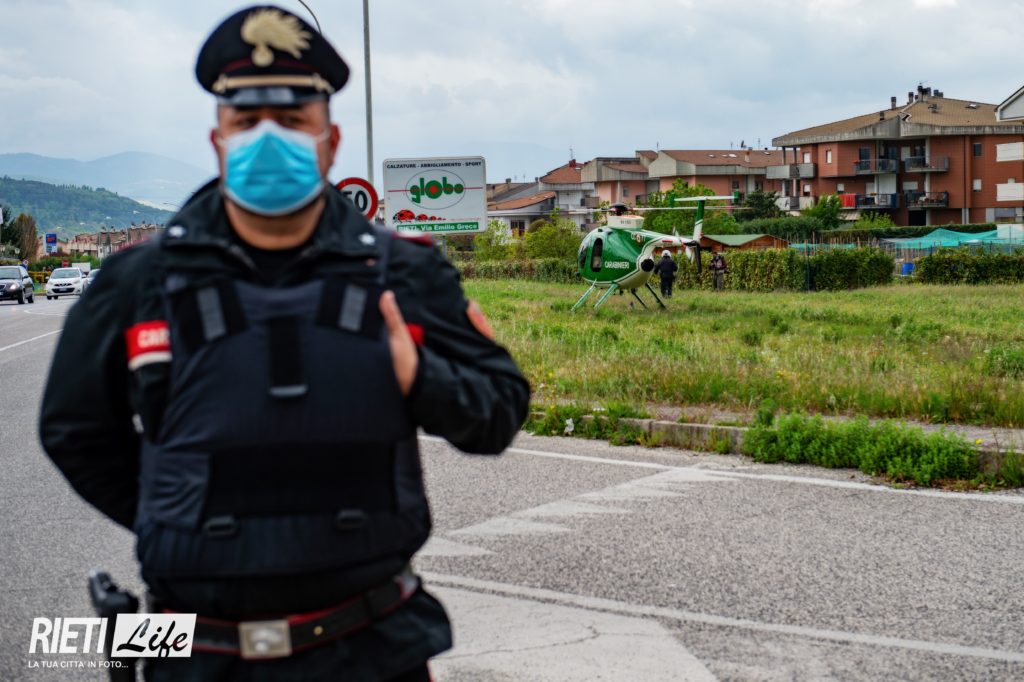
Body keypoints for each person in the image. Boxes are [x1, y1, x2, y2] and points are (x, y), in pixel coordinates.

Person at [39, 6, 530, 681]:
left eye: (294, 120)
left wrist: (422, 378)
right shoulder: (139, 281)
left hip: (371, 652)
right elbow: (73, 430)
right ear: (218, 140)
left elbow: (499, 412)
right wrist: (174, 516)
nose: (268, 138)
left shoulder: (403, 272)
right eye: (246, 122)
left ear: (330, 141)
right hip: (200, 656)